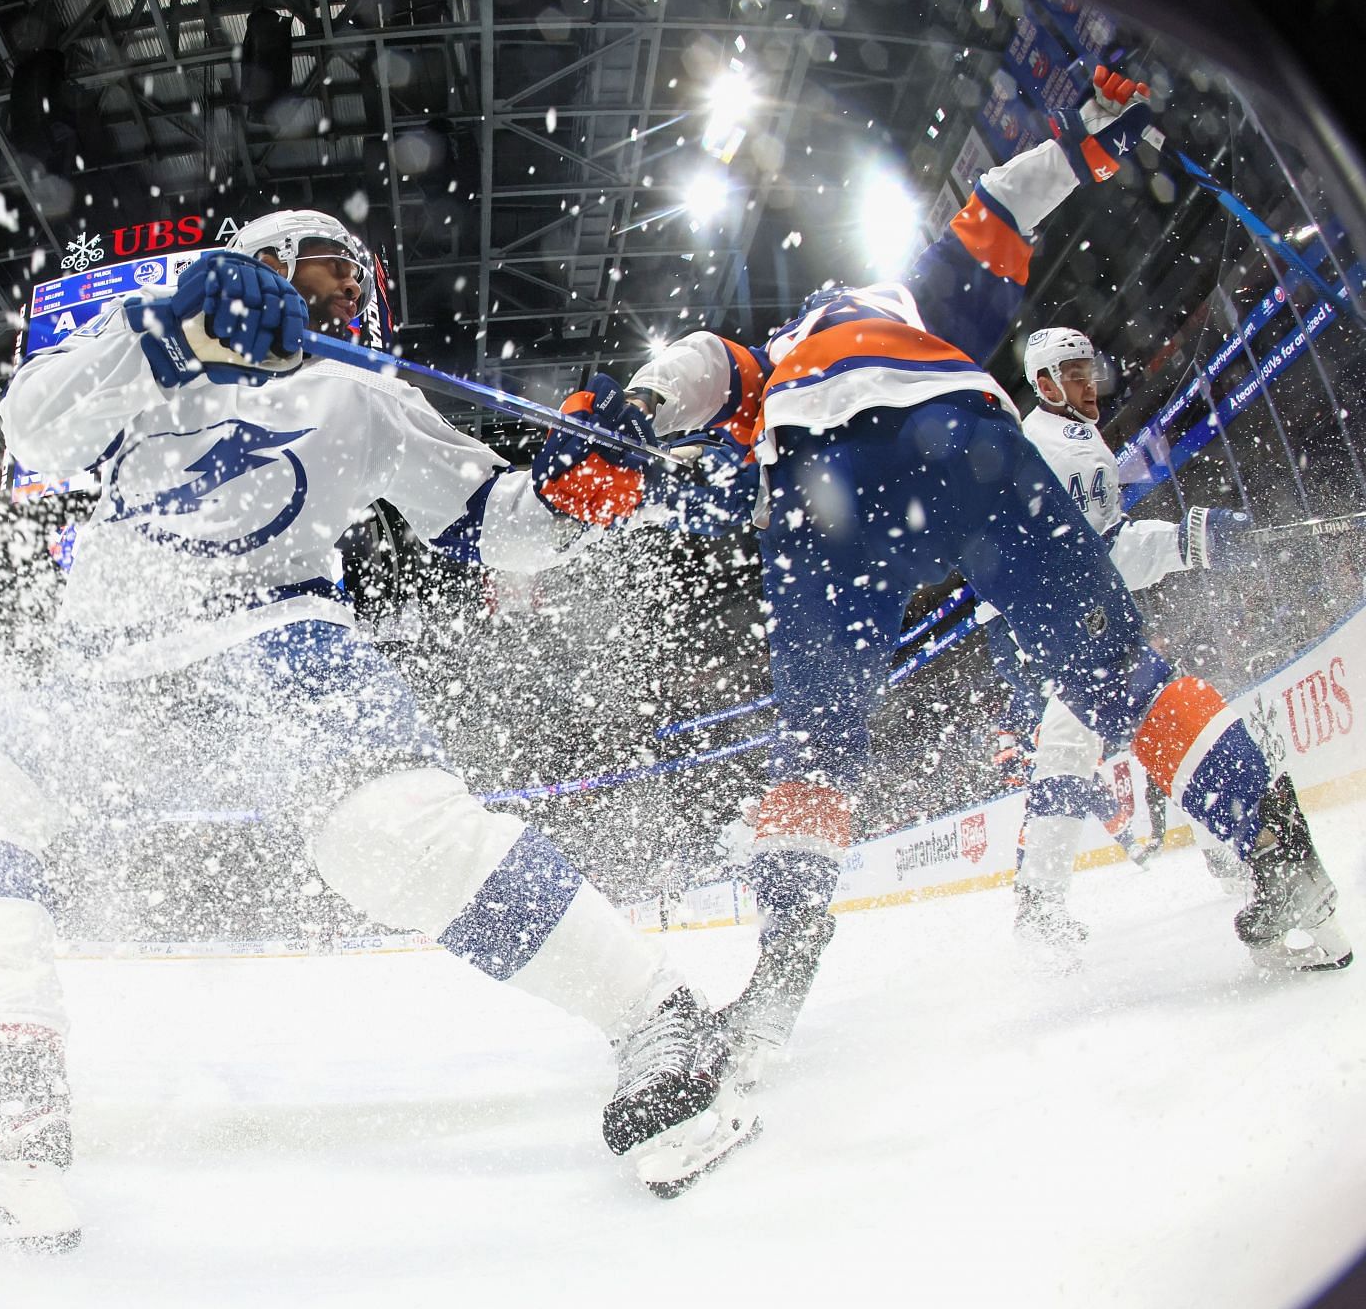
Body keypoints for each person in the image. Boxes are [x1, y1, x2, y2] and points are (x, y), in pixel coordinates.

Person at [0, 208, 749, 1245]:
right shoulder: (156, 349)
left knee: (388, 830)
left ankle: (660, 1011)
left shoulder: (363, 391)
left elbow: (494, 523)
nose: (348, 300)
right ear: (260, 265)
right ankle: (1, 1087)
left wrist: (564, 498)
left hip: (279, 641)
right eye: (329, 274)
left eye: (356, 286)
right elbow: (33, 429)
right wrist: (170, 329)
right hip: (114, 663)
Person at [567, 67, 1348, 1136]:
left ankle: (779, 984)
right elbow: (1003, 204)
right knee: (1121, 679)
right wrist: (1091, 141)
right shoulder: (916, 304)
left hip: (825, 493)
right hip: (966, 441)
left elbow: (700, 365)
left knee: (815, 750)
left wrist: (623, 415)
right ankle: (1280, 862)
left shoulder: (774, 360)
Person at [994, 326, 1255, 960]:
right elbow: (1103, 556)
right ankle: (1233, 846)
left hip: (1056, 624)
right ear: (1044, 383)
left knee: (1081, 738)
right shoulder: (1059, 451)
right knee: (1155, 717)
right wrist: (1187, 542)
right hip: (1068, 625)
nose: (1092, 383)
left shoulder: (1066, 438)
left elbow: (1100, 548)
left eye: (1091, 369)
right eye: (1075, 373)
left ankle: (1041, 902)